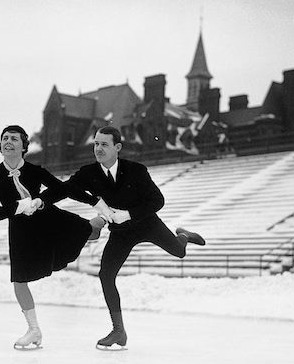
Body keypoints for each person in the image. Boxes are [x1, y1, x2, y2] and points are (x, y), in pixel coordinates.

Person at [64, 125, 206, 350]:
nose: (98, 148)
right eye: (96, 144)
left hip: (146, 223)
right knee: (106, 275)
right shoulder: (89, 173)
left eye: (104, 144)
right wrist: (40, 201)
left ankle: (183, 236)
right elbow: (64, 189)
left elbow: (158, 201)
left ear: (117, 147)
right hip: (121, 233)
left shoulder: (136, 170)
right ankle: (119, 331)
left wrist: (129, 214)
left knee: (179, 252)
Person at [0, 125, 109, 350]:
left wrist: (95, 201)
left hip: (47, 219)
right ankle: (34, 330)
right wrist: (17, 207)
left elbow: (64, 189)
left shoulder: (35, 170)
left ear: (24, 146)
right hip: (20, 231)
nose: (8, 141)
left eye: (14, 138)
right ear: (0, 145)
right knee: (19, 281)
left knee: (86, 230)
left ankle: (99, 224)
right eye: (4, 138)